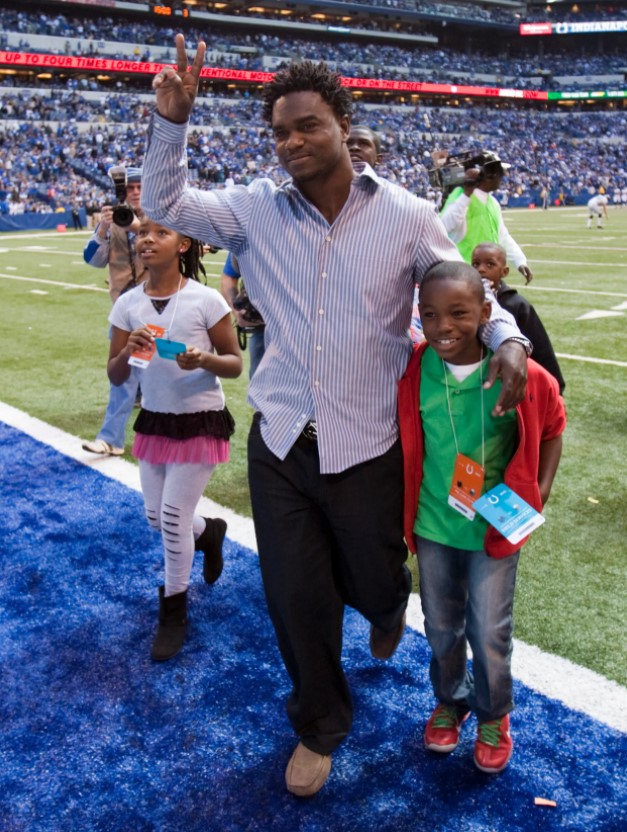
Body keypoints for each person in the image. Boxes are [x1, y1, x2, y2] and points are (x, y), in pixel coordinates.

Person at [142, 37, 531, 797]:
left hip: (368, 445)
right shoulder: (253, 211)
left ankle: (387, 603)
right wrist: (171, 123)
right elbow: (165, 203)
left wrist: (507, 337)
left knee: (373, 577)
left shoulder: (410, 215)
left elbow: (456, 288)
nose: (290, 143)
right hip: (282, 439)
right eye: (279, 132)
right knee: (295, 596)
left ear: (342, 121)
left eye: (306, 126)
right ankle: (320, 723)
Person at [398, 262, 565, 774]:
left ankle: (494, 713)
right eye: (430, 315)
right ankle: (452, 699)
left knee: (489, 630)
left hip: (495, 526)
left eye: (458, 313)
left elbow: (555, 426)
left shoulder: (519, 372)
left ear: (486, 313)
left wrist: (539, 493)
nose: (443, 326)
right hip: (432, 523)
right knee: (441, 626)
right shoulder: (416, 369)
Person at [107, 218, 242, 661]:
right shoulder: (128, 304)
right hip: (157, 420)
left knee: (169, 516)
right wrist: (127, 351)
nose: (147, 238)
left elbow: (234, 364)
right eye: (142, 232)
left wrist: (204, 358)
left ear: (184, 243)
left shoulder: (204, 300)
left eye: (159, 232)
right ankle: (209, 534)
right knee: (154, 517)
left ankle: (174, 610)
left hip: (199, 420)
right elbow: (115, 373)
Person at [82, 167, 148, 456]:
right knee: (121, 375)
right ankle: (111, 439)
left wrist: (137, 227)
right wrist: (104, 228)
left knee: (170, 371)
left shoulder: (162, 216)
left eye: (138, 187)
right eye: (129, 188)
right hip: (124, 309)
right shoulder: (113, 221)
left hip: (156, 308)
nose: (133, 192)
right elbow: (93, 261)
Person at [471, 243, 565, 394]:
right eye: (475, 264)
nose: (481, 269)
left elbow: (542, 349)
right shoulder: (468, 303)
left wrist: (557, 390)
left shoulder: (517, 305)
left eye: (490, 264)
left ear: (504, 272)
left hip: (512, 387)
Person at [439, 152, 533, 284]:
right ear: (486, 175)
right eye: (499, 173)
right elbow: (444, 226)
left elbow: (502, 236)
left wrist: (520, 261)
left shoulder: (492, 202)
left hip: (487, 276)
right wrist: (466, 195)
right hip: (464, 276)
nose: (502, 177)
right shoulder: (460, 196)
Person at [220, 251, 266, 378]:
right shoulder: (251, 236)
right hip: (264, 329)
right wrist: (237, 311)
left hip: (308, 328)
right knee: (261, 385)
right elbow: (229, 277)